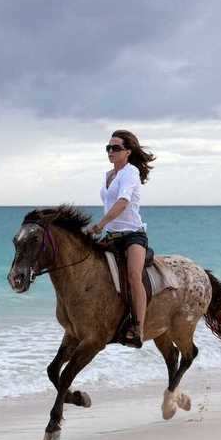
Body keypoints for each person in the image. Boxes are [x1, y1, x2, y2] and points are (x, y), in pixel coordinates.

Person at [87, 130, 155, 348]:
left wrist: (100, 224)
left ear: (127, 151)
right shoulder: (107, 175)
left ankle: (138, 328)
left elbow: (123, 202)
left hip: (133, 235)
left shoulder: (130, 172)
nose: (111, 151)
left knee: (134, 276)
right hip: (111, 236)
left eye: (116, 148)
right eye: (108, 147)